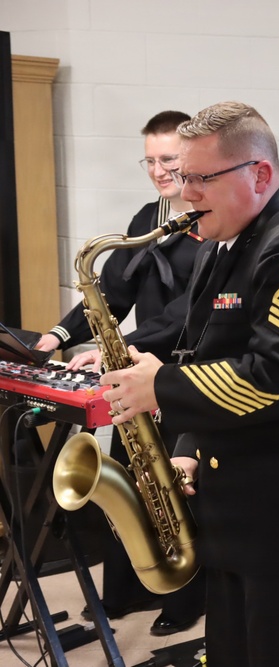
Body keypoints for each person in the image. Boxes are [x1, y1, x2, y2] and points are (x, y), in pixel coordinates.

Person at [101, 101, 279, 667]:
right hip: (234, 521)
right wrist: (190, 450)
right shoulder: (219, 249)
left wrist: (161, 387)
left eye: (198, 178)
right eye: (180, 178)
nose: (183, 193)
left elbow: (275, 380)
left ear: (260, 175)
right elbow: (208, 355)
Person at [35, 110, 207, 635]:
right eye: (150, 160)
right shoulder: (144, 218)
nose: (158, 170)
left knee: (178, 493)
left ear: (194, 158)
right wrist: (58, 337)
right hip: (135, 372)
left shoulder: (212, 221)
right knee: (129, 486)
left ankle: (184, 603)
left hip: (187, 374)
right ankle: (125, 592)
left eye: (169, 159)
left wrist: (122, 345)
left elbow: (190, 312)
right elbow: (112, 290)